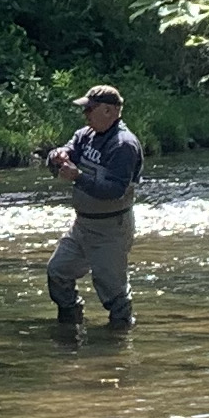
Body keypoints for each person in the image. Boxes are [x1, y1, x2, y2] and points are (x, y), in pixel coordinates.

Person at [45, 84, 142, 329]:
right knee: (58, 272)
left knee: (113, 294)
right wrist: (57, 156)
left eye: (90, 109)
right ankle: (70, 326)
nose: (85, 114)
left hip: (112, 228)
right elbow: (69, 149)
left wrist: (77, 177)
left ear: (109, 111)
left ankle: (119, 343)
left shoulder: (123, 145)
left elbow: (113, 191)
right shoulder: (85, 135)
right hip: (82, 225)